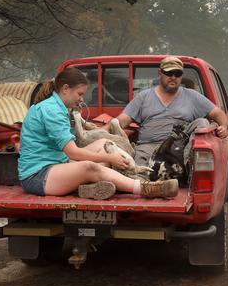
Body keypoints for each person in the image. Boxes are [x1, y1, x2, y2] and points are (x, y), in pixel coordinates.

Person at [18, 67, 179, 200]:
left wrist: (107, 153)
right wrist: (109, 159)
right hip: (38, 176)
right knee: (90, 167)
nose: (81, 100)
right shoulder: (51, 110)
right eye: (80, 94)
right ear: (65, 89)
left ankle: (90, 187)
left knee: (104, 144)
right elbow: (73, 152)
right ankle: (144, 188)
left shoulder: (58, 107)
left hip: (57, 164)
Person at [105, 56, 228, 166]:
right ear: (160, 73)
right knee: (138, 172)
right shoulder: (143, 97)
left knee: (202, 122)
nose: (173, 77)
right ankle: (149, 184)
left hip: (178, 148)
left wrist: (224, 126)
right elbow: (122, 120)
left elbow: (218, 114)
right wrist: (102, 130)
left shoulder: (192, 96)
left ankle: (188, 165)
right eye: (169, 73)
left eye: (177, 73)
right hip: (148, 147)